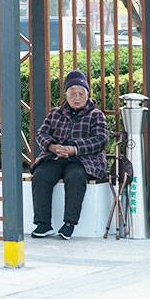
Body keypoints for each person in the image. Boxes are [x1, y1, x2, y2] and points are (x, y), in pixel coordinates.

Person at [30, 70, 108, 240]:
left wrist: (75, 149)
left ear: (87, 95)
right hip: (56, 156)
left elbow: (101, 139)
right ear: (66, 95)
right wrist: (52, 147)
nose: (77, 98)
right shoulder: (55, 113)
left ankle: (69, 224)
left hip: (83, 159)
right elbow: (41, 133)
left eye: (81, 93)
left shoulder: (96, 115)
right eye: (73, 93)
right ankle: (43, 224)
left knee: (75, 177)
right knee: (41, 175)